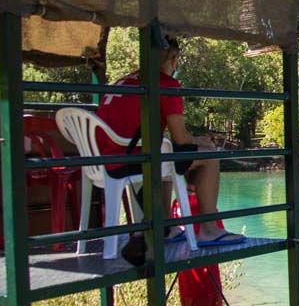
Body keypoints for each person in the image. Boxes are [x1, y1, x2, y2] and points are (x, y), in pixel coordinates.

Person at [97, 35, 243, 251]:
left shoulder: (122, 82)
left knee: (164, 154)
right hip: (134, 161)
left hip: (102, 161)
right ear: (173, 57)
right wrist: (201, 141)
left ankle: (166, 226)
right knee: (209, 155)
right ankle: (209, 229)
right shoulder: (165, 84)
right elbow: (181, 138)